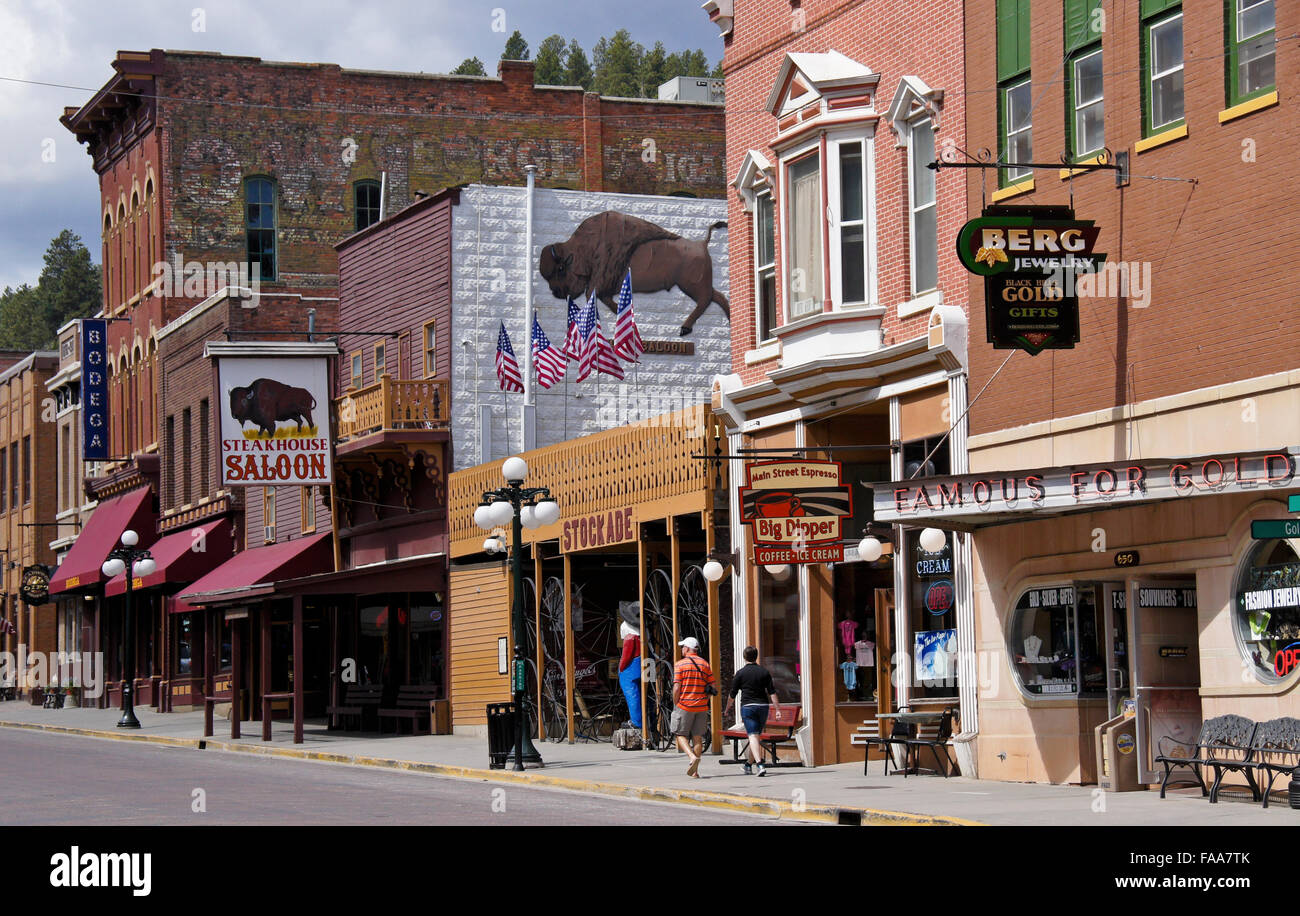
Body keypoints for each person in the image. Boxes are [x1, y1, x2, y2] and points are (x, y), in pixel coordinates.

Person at [724, 646, 779, 776]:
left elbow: (733, 694)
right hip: (763, 707)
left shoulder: (740, 673)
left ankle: (760, 765)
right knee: (756, 737)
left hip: (748, 707)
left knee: (753, 736)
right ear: (756, 656)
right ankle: (748, 765)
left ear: (744, 657)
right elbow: (772, 692)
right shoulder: (764, 672)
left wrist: (727, 708)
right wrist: (777, 708)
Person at [672, 636, 715, 777]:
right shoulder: (705, 664)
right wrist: (705, 699)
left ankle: (691, 756)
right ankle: (695, 771)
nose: (682, 649)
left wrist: (676, 702)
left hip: (685, 705)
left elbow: (677, 687)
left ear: (687, 648)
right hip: (701, 706)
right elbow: (713, 686)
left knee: (680, 734)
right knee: (698, 737)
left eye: (683, 647)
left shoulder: (680, 665)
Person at [617, 621, 642, 728]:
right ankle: (650, 720)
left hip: (632, 667)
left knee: (632, 694)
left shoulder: (630, 638)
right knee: (647, 693)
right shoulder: (643, 637)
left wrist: (621, 668)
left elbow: (626, 656)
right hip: (645, 663)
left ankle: (636, 721)